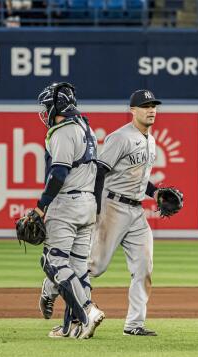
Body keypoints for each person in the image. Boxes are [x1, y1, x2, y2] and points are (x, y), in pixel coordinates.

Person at [40, 89, 163, 336]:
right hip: (113, 207)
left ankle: (134, 324)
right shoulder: (120, 138)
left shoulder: (150, 140)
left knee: (144, 267)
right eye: (145, 105)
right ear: (133, 110)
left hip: (137, 211)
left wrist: (156, 194)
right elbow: (100, 171)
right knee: (92, 266)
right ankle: (57, 293)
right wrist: (97, 208)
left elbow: (137, 178)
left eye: (153, 105)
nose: (151, 110)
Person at [35, 81, 105, 339]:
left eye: (47, 105)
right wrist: (95, 206)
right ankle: (71, 326)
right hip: (87, 203)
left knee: (53, 261)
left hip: (66, 203)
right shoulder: (87, 128)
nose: (45, 111)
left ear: (57, 105)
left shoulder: (63, 131)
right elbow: (98, 174)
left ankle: (88, 311)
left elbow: (58, 173)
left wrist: (41, 207)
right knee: (77, 269)